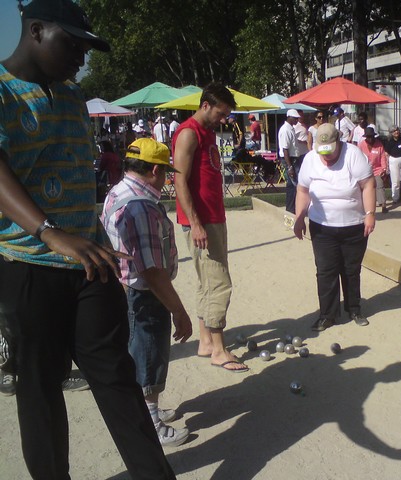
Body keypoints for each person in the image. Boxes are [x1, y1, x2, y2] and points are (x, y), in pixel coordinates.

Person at [0, 1, 176, 478]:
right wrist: (48, 231)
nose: (82, 57)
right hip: (27, 265)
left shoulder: (74, 95)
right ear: (36, 31)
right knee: (39, 389)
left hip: (91, 263)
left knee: (116, 376)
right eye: (73, 45)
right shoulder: (3, 92)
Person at [101, 138, 193, 447]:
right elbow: (151, 270)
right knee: (149, 353)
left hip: (126, 289)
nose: (167, 177)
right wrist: (178, 310)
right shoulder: (140, 207)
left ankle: (147, 410)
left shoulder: (119, 190)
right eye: (166, 171)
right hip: (143, 293)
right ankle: (150, 421)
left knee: (141, 350)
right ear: (154, 170)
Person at [172, 83, 249, 372]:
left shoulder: (207, 132)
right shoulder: (189, 132)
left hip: (213, 217)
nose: (224, 119)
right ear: (206, 105)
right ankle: (219, 349)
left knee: (207, 281)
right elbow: (179, 181)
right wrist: (195, 224)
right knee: (219, 283)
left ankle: (206, 341)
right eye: (221, 113)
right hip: (201, 221)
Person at [294, 123, 376, 331]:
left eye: (330, 151)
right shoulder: (310, 159)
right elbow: (303, 190)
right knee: (325, 271)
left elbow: (368, 185)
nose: (326, 157)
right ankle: (327, 314)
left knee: (351, 270)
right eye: (322, 152)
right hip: (322, 226)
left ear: (338, 141)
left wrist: (370, 214)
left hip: (354, 225)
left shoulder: (353, 154)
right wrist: (299, 217)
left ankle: (354, 308)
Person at [358, 126, 389, 214]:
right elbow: (358, 157)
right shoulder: (361, 145)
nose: (370, 138)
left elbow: (383, 157)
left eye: (371, 136)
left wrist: (384, 168)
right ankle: (364, 205)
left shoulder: (379, 145)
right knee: (364, 188)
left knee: (380, 185)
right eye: (368, 137)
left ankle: (383, 204)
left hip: (377, 169)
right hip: (365, 170)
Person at [278, 109, 302, 214]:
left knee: (293, 185)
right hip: (289, 159)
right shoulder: (285, 130)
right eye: (295, 118)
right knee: (292, 185)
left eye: (297, 118)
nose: (297, 120)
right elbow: (285, 149)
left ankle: (293, 208)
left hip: (293, 159)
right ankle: (290, 209)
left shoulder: (290, 129)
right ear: (289, 117)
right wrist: (290, 167)